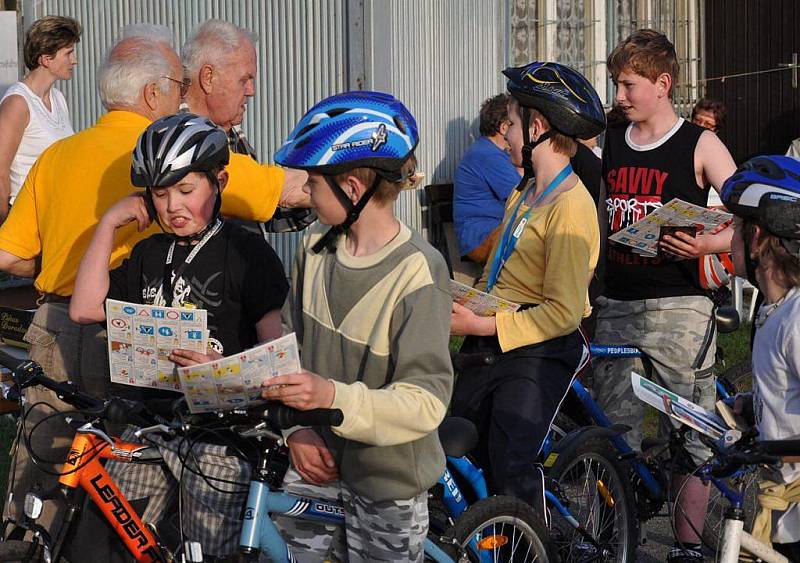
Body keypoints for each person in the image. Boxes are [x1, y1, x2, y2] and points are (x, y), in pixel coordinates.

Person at [0, 24, 287, 531]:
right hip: (128, 351)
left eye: (183, 190)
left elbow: (10, 253)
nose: (172, 204)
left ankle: (30, 539)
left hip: (58, 326)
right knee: (133, 508)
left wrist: (51, 268)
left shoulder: (56, 154)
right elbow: (285, 189)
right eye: (179, 87)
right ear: (154, 93)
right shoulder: (177, 149)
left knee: (49, 469)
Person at [68, 112, 288, 560]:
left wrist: (220, 368)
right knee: (114, 540)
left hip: (220, 438)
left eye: (186, 190)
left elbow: (274, 353)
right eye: (160, 194)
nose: (172, 207)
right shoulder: (151, 251)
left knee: (209, 551)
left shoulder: (247, 252)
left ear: (219, 180)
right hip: (154, 424)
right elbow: (84, 308)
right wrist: (109, 224)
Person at [260, 91, 453, 562]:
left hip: (386, 482)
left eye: (312, 183)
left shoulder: (419, 272)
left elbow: (426, 402)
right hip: (316, 462)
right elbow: (288, 349)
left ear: (350, 188)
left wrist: (331, 397)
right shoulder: (313, 252)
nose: (305, 192)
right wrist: (297, 433)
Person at [594, 29, 737, 562]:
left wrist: (706, 242)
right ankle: (614, 540)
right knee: (615, 432)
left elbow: (747, 213)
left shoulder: (699, 143)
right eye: (616, 85)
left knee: (692, 432)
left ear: (663, 83)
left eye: (629, 85)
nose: (621, 95)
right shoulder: (608, 139)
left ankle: (687, 547)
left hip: (681, 308)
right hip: (617, 305)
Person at [449, 61, 604, 514]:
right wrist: (465, 302)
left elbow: (563, 312)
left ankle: (529, 543)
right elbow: (498, 273)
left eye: (512, 125)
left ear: (537, 127)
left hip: (539, 349)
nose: (508, 137)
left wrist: (483, 322)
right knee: (460, 445)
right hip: (492, 336)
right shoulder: (525, 191)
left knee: (509, 461)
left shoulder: (570, 207)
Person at [724, 155, 800, 562]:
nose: (728, 242)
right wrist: (754, 407)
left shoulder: (797, 317)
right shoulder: (773, 312)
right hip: (785, 513)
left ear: (755, 238)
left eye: (733, 230)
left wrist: (784, 448)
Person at [182, 19, 313, 232]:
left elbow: (261, 210)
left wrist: (321, 198)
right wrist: (327, 184)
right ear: (208, 78)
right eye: (244, 79)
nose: (251, 91)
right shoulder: (177, 142)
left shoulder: (229, 134)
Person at [0, 15, 81, 223]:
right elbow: (0, 171)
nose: (74, 60)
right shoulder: (18, 103)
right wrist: (6, 226)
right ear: (46, 59)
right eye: (68, 53)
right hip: (25, 219)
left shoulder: (58, 98)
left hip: (54, 216)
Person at [453, 93, 521, 263]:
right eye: (517, 124)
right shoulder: (488, 155)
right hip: (481, 237)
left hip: (488, 230)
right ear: (504, 127)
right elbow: (523, 196)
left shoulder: (489, 152)